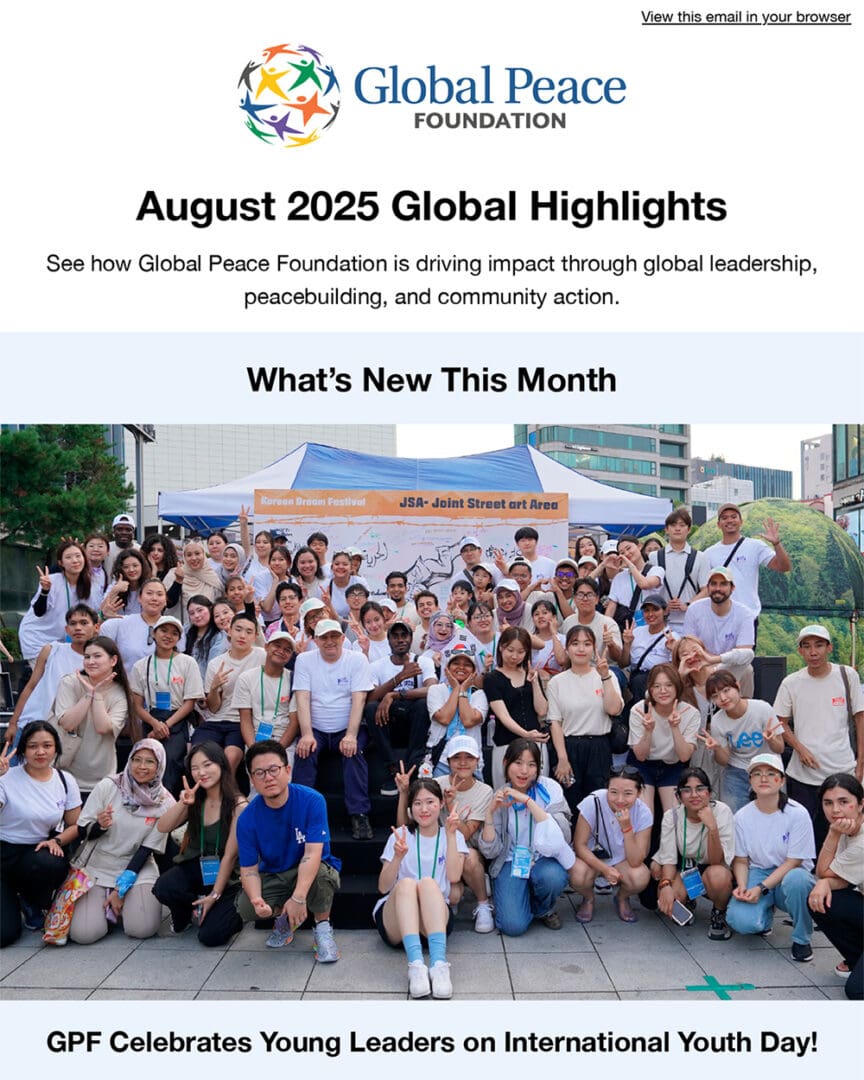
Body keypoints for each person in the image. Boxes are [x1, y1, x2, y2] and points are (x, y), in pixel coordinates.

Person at [58, 738, 174, 943]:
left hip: (137, 868)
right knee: (84, 934)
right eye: (137, 759)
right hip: (98, 865)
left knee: (142, 929)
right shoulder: (109, 786)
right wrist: (100, 826)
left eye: (150, 761)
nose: (142, 766)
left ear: (160, 766)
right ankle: (107, 907)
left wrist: (121, 889)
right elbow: (83, 830)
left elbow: (145, 850)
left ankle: (120, 903)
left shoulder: (164, 801)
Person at [235, 740, 341, 961]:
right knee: (245, 907)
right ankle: (284, 918)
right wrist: (256, 899)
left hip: (312, 867)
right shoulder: (247, 818)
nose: (268, 777)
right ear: (252, 779)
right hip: (275, 872)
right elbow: (249, 869)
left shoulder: (312, 800)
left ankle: (322, 928)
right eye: (259, 773)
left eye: (274, 769)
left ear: (287, 770)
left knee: (322, 875)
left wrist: (299, 898)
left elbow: (312, 854)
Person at [376, 778, 467, 998]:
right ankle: (416, 966)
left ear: (441, 803)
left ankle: (439, 965)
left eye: (430, 802)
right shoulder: (400, 835)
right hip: (398, 923)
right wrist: (397, 857)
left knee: (428, 883)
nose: (424, 809)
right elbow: (383, 887)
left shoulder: (453, 834)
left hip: (434, 922)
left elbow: (454, 876)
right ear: (410, 807)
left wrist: (451, 835)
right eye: (417, 803)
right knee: (407, 883)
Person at [774, 625, 864, 844]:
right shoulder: (791, 682)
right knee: (803, 833)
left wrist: (861, 761)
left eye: (819, 645)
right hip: (803, 774)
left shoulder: (847, 675)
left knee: (846, 831)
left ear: (829, 648)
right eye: (806, 646)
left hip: (843, 768)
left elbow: (860, 717)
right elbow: (779, 722)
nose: (813, 652)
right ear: (800, 651)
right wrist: (800, 748)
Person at [396, 736, 495, 933]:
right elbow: (403, 827)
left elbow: (465, 835)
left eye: (469, 757)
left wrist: (450, 805)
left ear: (477, 761)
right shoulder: (435, 784)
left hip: (465, 849)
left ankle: (483, 904)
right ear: (448, 762)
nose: (463, 762)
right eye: (457, 757)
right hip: (436, 848)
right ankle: (448, 898)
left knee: (469, 856)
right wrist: (404, 793)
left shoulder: (484, 791)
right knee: (454, 894)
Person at [152, 742, 246, 946]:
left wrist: (215, 895)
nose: (201, 772)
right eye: (195, 768)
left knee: (211, 936)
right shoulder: (195, 799)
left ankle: (232, 913)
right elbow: (163, 827)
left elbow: (230, 856)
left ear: (221, 764)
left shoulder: (238, 805)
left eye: (207, 765)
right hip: (199, 866)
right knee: (164, 887)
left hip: (230, 877)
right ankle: (187, 914)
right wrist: (183, 803)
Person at [725, 753, 817, 962]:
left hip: (790, 875)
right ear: (750, 781)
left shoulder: (797, 813)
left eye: (770, 773)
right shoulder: (742, 816)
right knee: (740, 921)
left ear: (782, 780)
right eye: (757, 774)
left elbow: (794, 861)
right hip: (759, 871)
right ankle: (764, 916)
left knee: (798, 881)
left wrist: (761, 888)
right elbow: (741, 860)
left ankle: (802, 938)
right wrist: (743, 886)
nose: (763, 778)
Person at [478, 738, 574, 934]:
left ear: (538, 768)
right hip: (511, 860)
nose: (524, 771)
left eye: (531, 765)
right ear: (506, 763)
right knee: (512, 926)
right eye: (518, 763)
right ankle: (521, 897)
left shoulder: (549, 789)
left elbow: (563, 836)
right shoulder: (499, 795)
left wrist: (528, 801)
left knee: (553, 877)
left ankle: (542, 908)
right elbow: (490, 851)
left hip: (544, 858)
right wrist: (489, 814)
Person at [0, 721, 82, 947]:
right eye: (33, 746)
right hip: (4, 853)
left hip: (38, 852)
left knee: (52, 862)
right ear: (23, 750)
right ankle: (12, 899)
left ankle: (31, 900)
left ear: (56, 748)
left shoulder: (65, 780)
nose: (40, 752)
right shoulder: (7, 777)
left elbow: (76, 825)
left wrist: (56, 840)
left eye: (47, 745)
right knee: (4, 935)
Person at [292, 620, 375, 841]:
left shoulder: (356, 659)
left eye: (334, 636)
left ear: (342, 638)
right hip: (316, 727)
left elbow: (359, 699)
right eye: (324, 637)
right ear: (316, 640)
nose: (330, 642)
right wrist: (307, 733)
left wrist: (351, 735)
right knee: (304, 751)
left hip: (347, 725)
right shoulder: (304, 660)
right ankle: (299, 814)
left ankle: (359, 814)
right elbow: (302, 698)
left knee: (353, 751)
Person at [651, 767, 735, 940]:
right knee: (669, 899)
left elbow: (716, 860)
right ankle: (688, 901)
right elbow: (668, 859)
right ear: (679, 796)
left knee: (718, 876)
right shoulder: (672, 816)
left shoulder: (722, 811)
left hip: (713, 866)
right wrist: (665, 886)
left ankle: (719, 912)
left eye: (700, 789)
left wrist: (712, 827)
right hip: (687, 867)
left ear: (709, 793)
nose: (694, 795)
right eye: (687, 790)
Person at [547, 625, 624, 811]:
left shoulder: (607, 675)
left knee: (599, 803)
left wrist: (605, 677)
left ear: (594, 648)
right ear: (567, 648)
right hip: (570, 747)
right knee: (571, 803)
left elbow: (614, 709)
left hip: (599, 747)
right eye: (575, 643)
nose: (581, 649)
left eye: (587, 644)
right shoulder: (556, 682)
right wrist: (562, 758)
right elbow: (555, 723)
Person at [4, 604, 99, 750]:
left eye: (84, 623)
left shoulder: (98, 660)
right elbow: (31, 686)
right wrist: (13, 723)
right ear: (66, 629)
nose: (78, 628)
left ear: (96, 627)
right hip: (31, 722)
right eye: (73, 623)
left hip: (67, 732)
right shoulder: (52, 650)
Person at [51, 635, 138, 794]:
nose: (91, 661)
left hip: (102, 779)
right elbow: (68, 723)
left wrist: (96, 694)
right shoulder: (70, 682)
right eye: (87, 657)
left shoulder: (120, 693)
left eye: (97, 656)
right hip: (65, 774)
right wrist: (88, 695)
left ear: (113, 660)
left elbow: (103, 728)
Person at [129, 615, 204, 797]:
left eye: (174, 633)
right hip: (151, 720)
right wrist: (155, 724)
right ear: (154, 634)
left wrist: (165, 726)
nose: (168, 636)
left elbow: (189, 702)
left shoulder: (187, 662)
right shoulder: (141, 665)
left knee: (171, 763)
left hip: (177, 720)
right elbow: (137, 705)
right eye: (163, 631)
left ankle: (169, 806)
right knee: (146, 763)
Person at [569, 765, 653, 923]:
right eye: (613, 792)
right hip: (592, 858)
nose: (620, 800)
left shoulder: (643, 812)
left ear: (639, 792)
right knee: (577, 873)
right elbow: (579, 846)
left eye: (628, 793)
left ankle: (622, 898)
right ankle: (588, 898)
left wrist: (627, 828)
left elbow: (636, 860)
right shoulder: (593, 801)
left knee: (640, 876)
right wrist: (605, 869)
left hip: (623, 861)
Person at [807, 773, 864, 998]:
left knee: (856, 991)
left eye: (843, 802)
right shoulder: (848, 827)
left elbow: (823, 872)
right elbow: (840, 878)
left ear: (860, 804)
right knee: (820, 899)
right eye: (828, 803)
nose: (835, 810)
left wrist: (832, 833)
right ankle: (857, 958)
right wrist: (824, 883)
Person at [366, 621, 436, 793]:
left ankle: (412, 768)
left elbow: (432, 690)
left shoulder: (423, 661)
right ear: (388, 640)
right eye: (395, 636)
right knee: (371, 708)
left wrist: (394, 695)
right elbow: (370, 697)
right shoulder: (377, 665)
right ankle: (393, 769)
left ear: (411, 638)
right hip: (388, 722)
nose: (400, 640)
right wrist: (400, 677)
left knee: (422, 704)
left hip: (414, 721)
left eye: (404, 635)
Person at [700, 670, 785, 812]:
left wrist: (771, 740)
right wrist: (717, 748)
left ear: (738, 686)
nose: (723, 698)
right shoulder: (717, 721)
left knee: (775, 812)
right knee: (734, 816)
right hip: (737, 771)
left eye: (726, 690)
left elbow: (780, 748)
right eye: (715, 696)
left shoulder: (762, 708)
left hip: (768, 765)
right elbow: (724, 760)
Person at [702, 504, 790, 635]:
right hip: (718, 618)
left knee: (746, 649)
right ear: (718, 524)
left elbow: (784, 567)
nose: (729, 520)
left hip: (748, 617)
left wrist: (776, 544)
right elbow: (705, 587)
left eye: (734, 517)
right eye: (724, 518)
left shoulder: (755, 546)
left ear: (741, 521)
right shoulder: (709, 553)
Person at [196, 613, 265, 775]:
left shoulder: (262, 656)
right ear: (229, 631)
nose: (242, 636)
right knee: (199, 756)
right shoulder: (215, 663)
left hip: (242, 723)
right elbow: (213, 708)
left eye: (248, 632)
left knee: (229, 759)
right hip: (216, 720)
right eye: (238, 629)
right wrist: (214, 688)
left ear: (255, 636)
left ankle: (226, 791)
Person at [627, 663, 701, 813]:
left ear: (677, 687)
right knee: (644, 813)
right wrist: (648, 731)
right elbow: (640, 756)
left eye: (669, 685)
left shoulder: (690, 712)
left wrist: (675, 727)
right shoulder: (639, 710)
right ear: (650, 689)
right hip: (643, 765)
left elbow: (684, 756)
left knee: (673, 815)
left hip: (673, 765)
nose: (663, 691)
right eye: (657, 686)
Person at [484, 626, 549, 788]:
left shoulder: (530, 673)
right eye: (510, 650)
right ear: (501, 647)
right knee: (506, 792)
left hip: (535, 744)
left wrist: (534, 682)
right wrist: (526, 734)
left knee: (537, 791)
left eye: (520, 652)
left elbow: (542, 710)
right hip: (507, 744)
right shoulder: (492, 679)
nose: (514, 656)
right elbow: (503, 716)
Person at [17, 540, 96, 662]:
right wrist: (45, 591)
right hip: (38, 639)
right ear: (61, 563)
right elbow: (38, 611)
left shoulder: (89, 584)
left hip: (63, 642)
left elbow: (92, 615)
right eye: (68, 557)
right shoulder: (52, 581)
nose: (75, 560)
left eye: (78, 556)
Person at [681, 567, 755, 694]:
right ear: (708, 587)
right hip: (702, 664)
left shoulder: (745, 614)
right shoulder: (694, 610)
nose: (718, 588)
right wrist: (708, 664)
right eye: (713, 584)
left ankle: (743, 705)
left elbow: (745, 653)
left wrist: (716, 661)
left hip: (730, 665)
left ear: (732, 588)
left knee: (747, 669)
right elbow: (690, 647)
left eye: (723, 584)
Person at [425, 646, 488, 774]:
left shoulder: (479, 694)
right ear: (447, 669)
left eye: (467, 665)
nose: (461, 667)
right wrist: (455, 689)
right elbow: (444, 718)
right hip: (441, 758)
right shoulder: (436, 690)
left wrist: (463, 690)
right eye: (456, 663)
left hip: (471, 761)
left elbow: (468, 720)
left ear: (474, 672)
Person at [647, 509, 711, 631]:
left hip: (691, 621)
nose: (677, 529)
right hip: (661, 622)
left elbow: (706, 589)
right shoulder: (654, 557)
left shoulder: (700, 557)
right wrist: (662, 606)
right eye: (673, 525)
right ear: (666, 529)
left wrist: (688, 604)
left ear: (689, 529)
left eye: (682, 525)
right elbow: (649, 589)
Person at [235, 632, 297, 753]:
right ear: (266, 647)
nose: (281, 651)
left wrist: (278, 751)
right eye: (277, 646)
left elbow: (294, 723)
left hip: (284, 741)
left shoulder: (294, 680)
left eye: (287, 650)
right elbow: (245, 719)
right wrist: (254, 750)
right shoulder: (246, 678)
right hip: (255, 738)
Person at [99, 578, 174, 670]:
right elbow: (96, 643)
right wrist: (102, 616)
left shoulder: (173, 626)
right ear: (139, 598)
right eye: (149, 593)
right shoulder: (120, 623)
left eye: (159, 594)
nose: (154, 598)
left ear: (165, 600)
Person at [603, 535, 665, 628]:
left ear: (639, 546)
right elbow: (611, 607)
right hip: (627, 627)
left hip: (652, 625)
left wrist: (630, 565)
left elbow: (644, 584)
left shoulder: (656, 570)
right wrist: (606, 627)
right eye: (622, 553)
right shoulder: (619, 577)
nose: (627, 553)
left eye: (629, 548)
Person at [184, 594, 227, 680]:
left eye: (200, 610)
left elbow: (213, 667)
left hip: (206, 683)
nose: (196, 615)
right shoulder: (186, 631)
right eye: (192, 613)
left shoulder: (219, 636)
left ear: (210, 609)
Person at [102, 547, 150, 616]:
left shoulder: (149, 585)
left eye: (135, 566)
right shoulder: (116, 585)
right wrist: (115, 590)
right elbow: (102, 611)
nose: (131, 570)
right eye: (126, 567)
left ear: (142, 566)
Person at [175, 540, 222, 610]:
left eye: (197, 554)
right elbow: (168, 602)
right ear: (184, 557)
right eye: (189, 555)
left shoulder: (212, 577)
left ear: (204, 555)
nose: (194, 558)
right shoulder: (175, 574)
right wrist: (177, 581)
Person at [104, 513, 137, 578]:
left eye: (128, 530)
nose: (124, 532)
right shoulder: (105, 548)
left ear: (133, 533)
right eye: (119, 529)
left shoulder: (140, 550)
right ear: (113, 532)